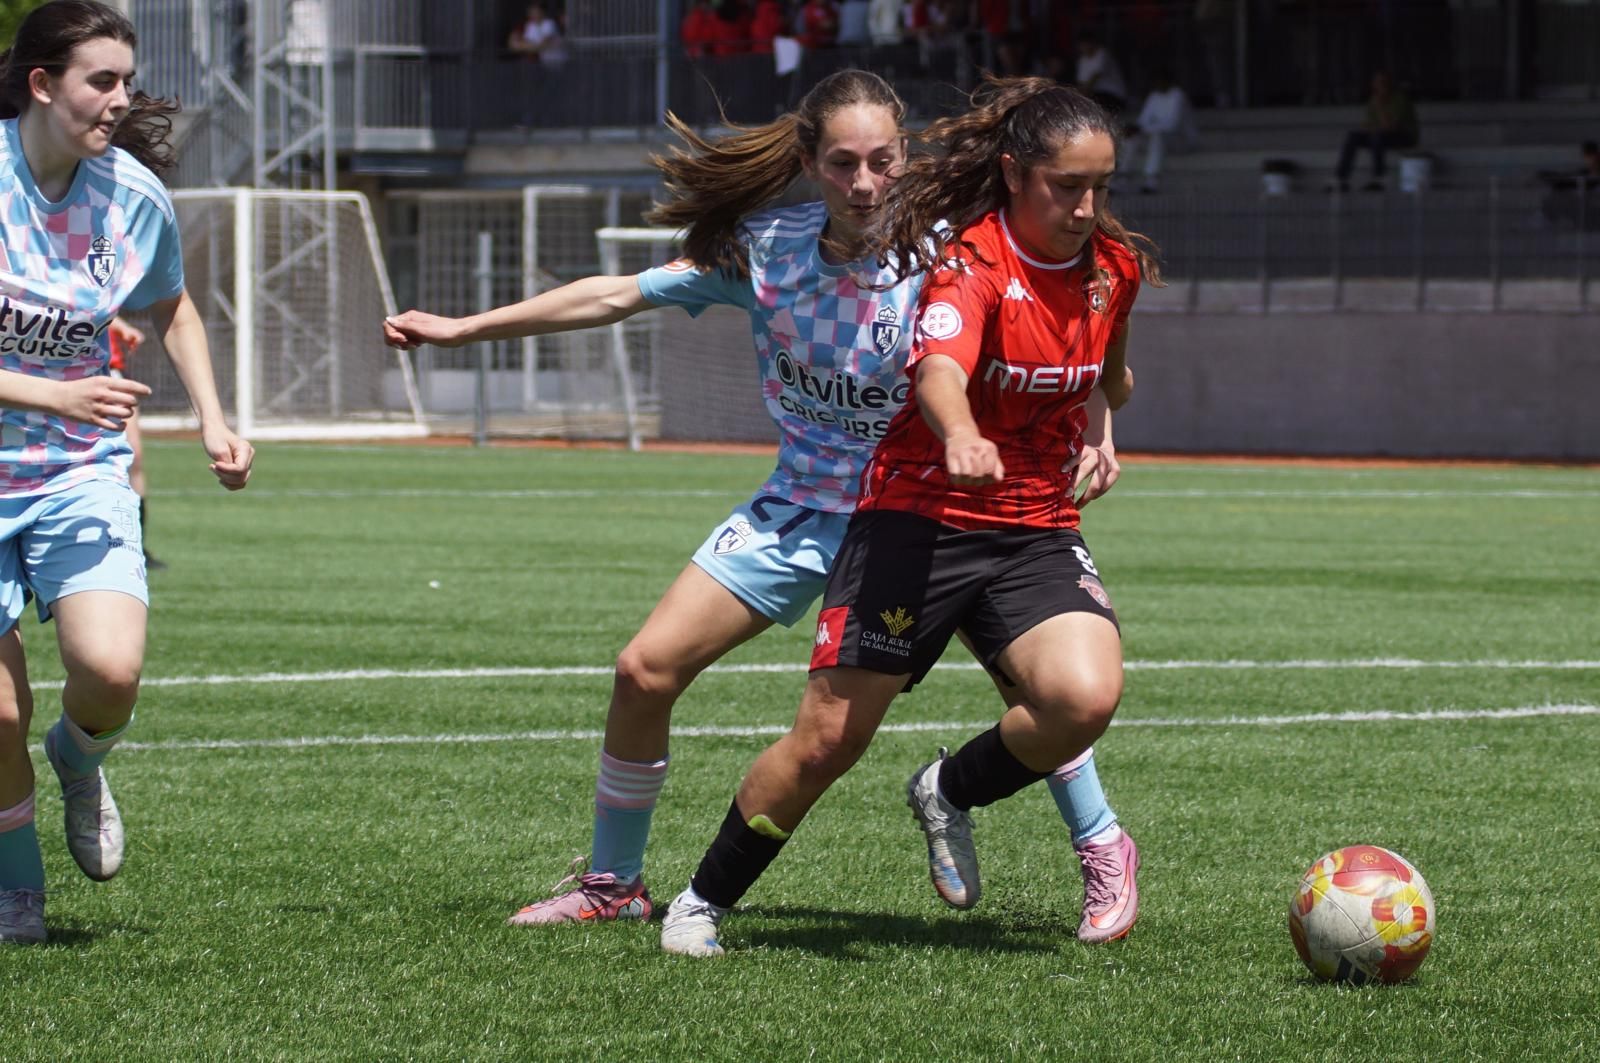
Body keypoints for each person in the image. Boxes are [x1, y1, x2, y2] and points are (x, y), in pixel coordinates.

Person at [382, 69, 1136, 937]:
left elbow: (1076, 319)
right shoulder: (764, 249)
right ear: (809, 163)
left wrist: (1096, 428)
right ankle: (612, 883)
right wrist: (465, 329)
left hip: (930, 510)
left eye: (883, 162)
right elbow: (615, 293)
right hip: (807, 507)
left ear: (904, 158)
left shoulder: (951, 250)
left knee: (1044, 685)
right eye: (843, 163)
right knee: (644, 669)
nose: (864, 184)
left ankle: (1101, 843)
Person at [659, 76, 1158, 958]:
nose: (1087, 207)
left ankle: (948, 789)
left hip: (1034, 520)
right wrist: (959, 429)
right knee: (825, 742)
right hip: (917, 514)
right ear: (1014, 176)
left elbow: (1107, 365)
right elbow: (937, 370)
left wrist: (1107, 422)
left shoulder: (1113, 267)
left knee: (1082, 698)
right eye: (1067, 187)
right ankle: (701, 899)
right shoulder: (968, 264)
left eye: (1101, 187)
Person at [0, 0, 254, 946]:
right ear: (42, 84)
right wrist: (48, 393)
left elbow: (174, 304)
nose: (120, 99)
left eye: (125, 81)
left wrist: (215, 421)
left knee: (109, 670)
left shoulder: (131, 194)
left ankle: (78, 756)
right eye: (100, 81)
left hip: (79, 470)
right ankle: (15, 886)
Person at [105, 317, 164, 570]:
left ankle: (136, 543)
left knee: (134, 455)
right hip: (64, 372)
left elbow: (99, 298)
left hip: (110, 371)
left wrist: (119, 325)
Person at [1332, 71, 1418, 193]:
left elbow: (1390, 126)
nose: (1380, 86)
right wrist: (1371, 125)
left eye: (1383, 82)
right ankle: (1341, 179)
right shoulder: (1373, 100)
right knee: (1353, 137)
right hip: (1381, 135)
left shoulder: (1400, 99)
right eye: (1377, 83)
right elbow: (1368, 125)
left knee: (1377, 137)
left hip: (1404, 136)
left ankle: (1379, 178)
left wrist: (1379, 107)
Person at [1124, 69, 1196, 193]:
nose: (1157, 85)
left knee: (1157, 136)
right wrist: (1135, 129)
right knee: (1133, 138)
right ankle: (1122, 176)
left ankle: (1152, 180)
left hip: (1180, 140)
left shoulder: (1178, 95)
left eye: (1160, 82)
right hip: (1157, 138)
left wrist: (1144, 128)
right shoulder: (1154, 96)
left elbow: (1172, 125)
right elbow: (1143, 120)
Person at [1075, 34, 1127, 116]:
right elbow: (1081, 83)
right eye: (1081, 45)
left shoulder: (1103, 54)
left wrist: (1079, 97)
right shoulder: (1082, 60)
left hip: (1114, 95)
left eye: (1085, 44)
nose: (1083, 47)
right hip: (1096, 94)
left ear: (1092, 43)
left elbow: (1095, 78)